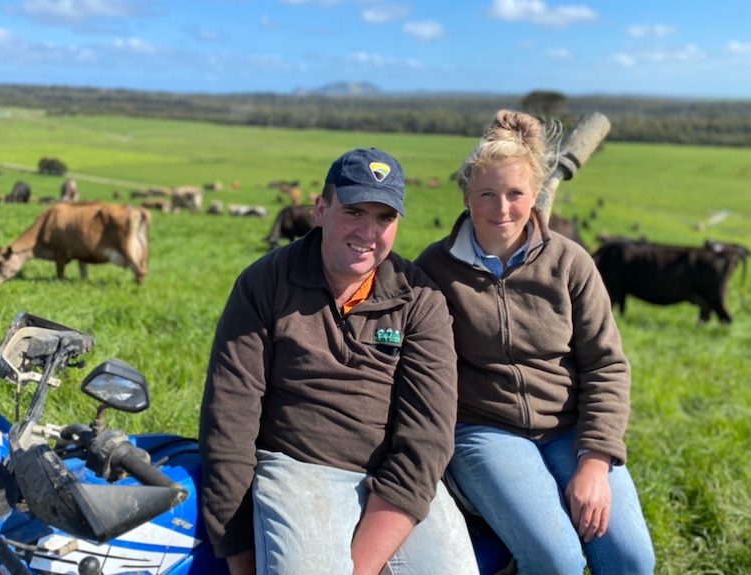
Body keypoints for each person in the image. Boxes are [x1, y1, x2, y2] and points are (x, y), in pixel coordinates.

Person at [199, 147, 478, 575]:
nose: (368, 232)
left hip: (396, 480)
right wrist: (240, 552)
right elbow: (229, 420)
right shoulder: (265, 284)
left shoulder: (420, 299)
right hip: (297, 468)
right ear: (320, 209)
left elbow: (428, 435)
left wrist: (361, 566)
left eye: (384, 218)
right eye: (354, 212)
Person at [415, 110, 656, 575]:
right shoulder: (436, 269)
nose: (501, 208)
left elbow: (606, 364)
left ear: (534, 196)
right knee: (557, 560)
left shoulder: (570, 262)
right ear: (466, 195)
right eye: (487, 193)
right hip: (484, 430)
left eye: (514, 194)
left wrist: (595, 460)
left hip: (570, 429)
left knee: (631, 559)